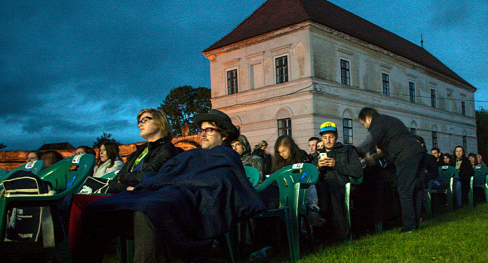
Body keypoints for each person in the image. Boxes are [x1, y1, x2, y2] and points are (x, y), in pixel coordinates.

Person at [74, 109, 266, 262]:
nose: (203, 134)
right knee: (94, 209)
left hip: (185, 197)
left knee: (148, 208)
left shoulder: (226, 156)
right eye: (202, 130)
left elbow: (219, 182)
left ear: (224, 135)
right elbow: (169, 172)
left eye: (209, 130)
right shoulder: (193, 154)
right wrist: (151, 183)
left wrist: (168, 183)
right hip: (162, 190)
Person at [357, 107, 426, 233]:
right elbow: (389, 147)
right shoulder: (389, 121)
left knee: (405, 190)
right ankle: (415, 223)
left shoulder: (378, 122)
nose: (366, 128)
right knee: (416, 188)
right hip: (417, 153)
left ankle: (409, 227)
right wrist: (374, 157)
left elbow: (370, 142)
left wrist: (355, 152)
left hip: (406, 156)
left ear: (367, 118)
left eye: (364, 124)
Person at [108, 108, 180, 193]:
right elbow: (113, 183)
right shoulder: (138, 152)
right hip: (127, 196)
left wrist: (123, 178)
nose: (140, 125)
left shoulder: (167, 149)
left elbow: (148, 177)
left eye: (145, 120)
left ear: (160, 123)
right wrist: (126, 188)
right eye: (139, 122)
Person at [313, 121, 363, 240]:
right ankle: (324, 235)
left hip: (343, 185)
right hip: (323, 187)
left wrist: (336, 164)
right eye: (325, 138)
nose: (328, 140)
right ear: (321, 138)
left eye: (331, 137)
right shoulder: (318, 156)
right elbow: (309, 175)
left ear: (336, 137)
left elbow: (358, 171)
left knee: (330, 189)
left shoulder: (348, 150)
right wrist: (318, 167)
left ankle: (338, 235)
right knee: (321, 190)